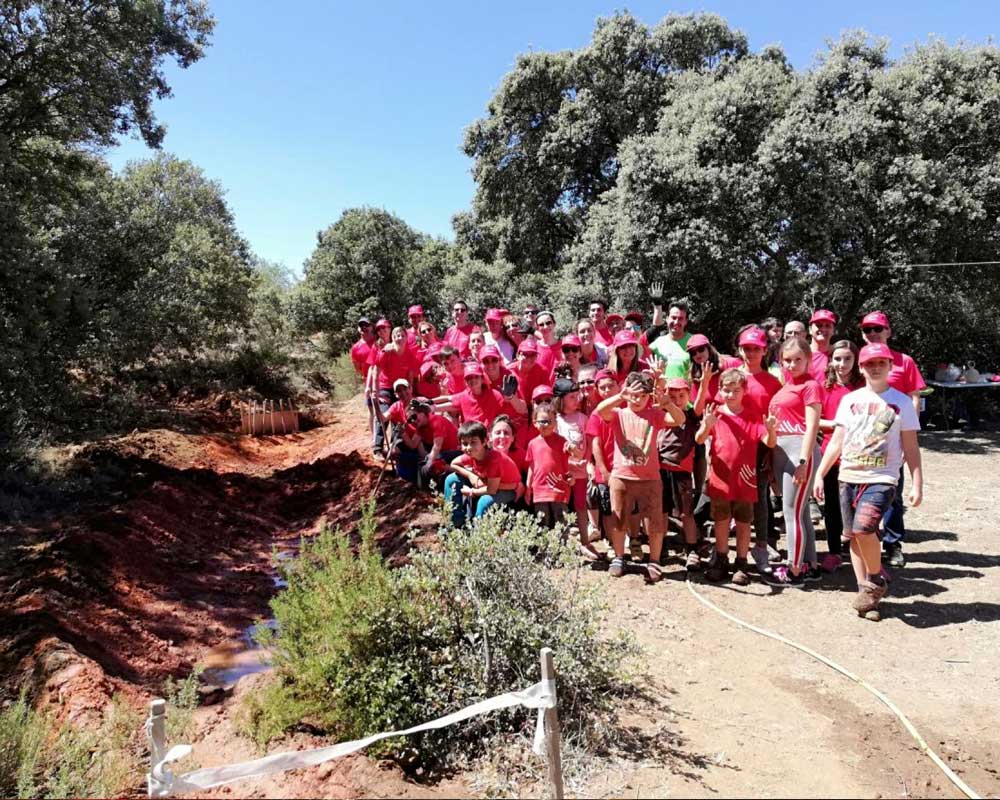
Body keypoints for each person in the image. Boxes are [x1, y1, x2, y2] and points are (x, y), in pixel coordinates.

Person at [813, 342, 923, 621]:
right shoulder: (849, 400)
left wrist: (917, 482)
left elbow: (910, 447)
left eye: (881, 363)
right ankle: (868, 598)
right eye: (870, 364)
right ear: (861, 368)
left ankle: (876, 579)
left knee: (864, 529)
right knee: (853, 536)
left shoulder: (901, 403)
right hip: (848, 476)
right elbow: (838, 441)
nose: (875, 368)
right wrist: (820, 473)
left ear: (890, 366)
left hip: (882, 478)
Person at [594, 371, 686, 582]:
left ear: (648, 396)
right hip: (621, 475)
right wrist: (620, 396)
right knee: (618, 519)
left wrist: (666, 403)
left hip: (650, 477)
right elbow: (600, 410)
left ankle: (653, 560)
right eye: (633, 395)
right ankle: (619, 557)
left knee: (654, 521)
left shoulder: (654, 414)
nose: (637, 400)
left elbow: (679, 419)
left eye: (642, 396)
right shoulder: (618, 413)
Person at [696, 370, 778, 585]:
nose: (730, 394)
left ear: (744, 391)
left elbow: (768, 442)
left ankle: (741, 563)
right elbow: (698, 439)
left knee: (743, 522)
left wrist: (771, 430)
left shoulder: (752, 414)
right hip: (721, 478)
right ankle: (721, 559)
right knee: (721, 520)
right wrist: (707, 425)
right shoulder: (716, 413)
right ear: (720, 390)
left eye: (735, 390)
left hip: (746, 478)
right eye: (726, 390)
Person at [859, 311, 927, 568]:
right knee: (864, 489)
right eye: (868, 330)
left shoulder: (904, 361)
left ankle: (893, 543)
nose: (873, 334)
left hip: (895, 435)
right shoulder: (861, 360)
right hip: (867, 436)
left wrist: (908, 430)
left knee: (893, 492)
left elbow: (914, 397)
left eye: (878, 329)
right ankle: (867, 539)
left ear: (888, 331)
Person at [766, 338, 823, 587]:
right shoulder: (785, 386)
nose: (792, 364)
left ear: (808, 359)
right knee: (799, 514)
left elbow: (812, 425)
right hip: (781, 452)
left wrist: (803, 459)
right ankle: (810, 564)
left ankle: (794, 570)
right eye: (787, 360)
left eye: (798, 359)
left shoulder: (810, 385)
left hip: (799, 452)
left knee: (791, 513)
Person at [731, 326, 784, 572]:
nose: (750, 353)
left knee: (760, 498)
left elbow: (776, 420)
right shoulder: (732, 377)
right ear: (740, 350)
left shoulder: (773, 383)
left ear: (764, 350)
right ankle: (723, 548)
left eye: (755, 348)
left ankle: (760, 546)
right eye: (746, 348)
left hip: (761, 447)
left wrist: (772, 455)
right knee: (727, 497)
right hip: (733, 446)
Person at [818, 340, 864, 566]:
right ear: (830, 360)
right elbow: (814, 419)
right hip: (831, 455)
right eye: (837, 358)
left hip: (860, 456)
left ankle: (863, 554)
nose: (842, 363)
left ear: (856, 361)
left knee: (859, 506)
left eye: (847, 358)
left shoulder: (863, 386)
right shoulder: (823, 386)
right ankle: (834, 550)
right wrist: (838, 423)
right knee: (833, 506)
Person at [657, 377, 702, 570]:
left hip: (682, 470)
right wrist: (658, 380)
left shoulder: (691, 416)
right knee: (661, 511)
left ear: (688, 396)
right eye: (672, 396)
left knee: (686, 513)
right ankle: (660, 546)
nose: (677, 399)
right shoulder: (662, 414)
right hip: (660, 468)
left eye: (681, 395)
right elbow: (655, 398)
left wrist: (706, 381)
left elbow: (700, 403)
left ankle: (692, 548)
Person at [444, 421, 518, 527]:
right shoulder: (472, 454)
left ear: (484, 441)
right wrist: (471, 475)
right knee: (451, 479)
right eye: (465, 444)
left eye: (473, 442)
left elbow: (491, 490)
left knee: (484, 501)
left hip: (506, 489)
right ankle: (454, 522)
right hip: (486, 483)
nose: (469, 447)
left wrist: (472, 492)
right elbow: (453, 464)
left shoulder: (494, 459)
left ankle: (478, 535)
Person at [554, 377, 596, 559]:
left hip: (581, 470)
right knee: (562, 506)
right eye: (571, 397)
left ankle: (585, 542)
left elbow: (589, 441)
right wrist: (570, 463)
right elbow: (554, 449)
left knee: (581, 506)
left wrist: (586, 461)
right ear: (561, 399)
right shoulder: (555, 421)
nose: (576, 399)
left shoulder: (582, 418)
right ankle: (562, 543)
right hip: (563, 470)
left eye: (576, 395)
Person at [368, 326, 420, 460]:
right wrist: (375, 391)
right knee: (384, 413)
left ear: (406, 338)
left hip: (400, 388)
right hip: (385, 386)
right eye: (397, 335)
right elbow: (376, 370)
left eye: (402, 335)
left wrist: (410, 390)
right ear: (392, 338)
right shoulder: (386, 351)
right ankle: (377, 448)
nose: (400, 338)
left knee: (397, 417)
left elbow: (410, 374)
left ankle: (394, 446)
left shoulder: (409, 354)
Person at [586, 369, 620, 548]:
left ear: (618, 386)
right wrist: (603, 470)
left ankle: (632, 539)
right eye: (603, 387)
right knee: (607, 508)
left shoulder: (626, 410)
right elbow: (595, 445)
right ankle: (613, 543)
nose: (607, 391)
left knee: (629, 507)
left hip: (625, 469)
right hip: (605, 470)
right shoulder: (595, 415)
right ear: (597, 390)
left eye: (611, 386)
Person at [525, 403, 572, 528]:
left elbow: (567, 464)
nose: (546, 425)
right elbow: (532, 466)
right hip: (539, 490)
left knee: (561, 522)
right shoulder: (532, 444)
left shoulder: (562, 441)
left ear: (555, 423)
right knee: (542, 522)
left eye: (549, 421)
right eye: (542, 421)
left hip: (558, 489)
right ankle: (544, 548)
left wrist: (570, 479)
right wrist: (528, 487)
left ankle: (562, 547)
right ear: (535, 422)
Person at [399, 398, 461, 489]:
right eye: (410, 420)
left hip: (454, 452)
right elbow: (413, 445)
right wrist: (403, 434)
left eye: (414, 417)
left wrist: (428, 462)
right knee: (409, 456)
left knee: (433, 462)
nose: (413, 421)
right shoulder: (421, 427)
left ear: (423, 412)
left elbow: (437, 446)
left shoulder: (436, 421)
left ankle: (441, 483)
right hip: (441, 453)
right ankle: (417, 485)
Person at [434, 362, 513, 428]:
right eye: (469, 378)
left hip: (488, 438)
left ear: (482, 379)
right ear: (465, 382)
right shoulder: (464, 395)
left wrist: (509, 396)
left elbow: (505, 405)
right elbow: (449, 399)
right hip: (469, 437)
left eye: (476, 377)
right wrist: (429, 403)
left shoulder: (494, 394)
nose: (473, 380)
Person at [647, 300, 693, 379]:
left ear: (686, 322)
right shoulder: (657, 344)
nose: (676, 322)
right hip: (661, 390)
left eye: (680, 319)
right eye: (673, 317)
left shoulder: (694, 342)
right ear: (667, 319)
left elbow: (717, 359)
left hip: (685, 390)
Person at [490, 414, 527, 485]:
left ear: (513, 437)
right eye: (498, 433)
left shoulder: (520, 454)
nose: (502, 436)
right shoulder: (482, 453)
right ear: (490, 436)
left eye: (506, 433)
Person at [808, 309, 837, 381]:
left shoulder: (839, 354)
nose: (823, 329)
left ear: (833, 330)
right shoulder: (802, 353)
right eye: (819, 325)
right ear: (810, 330)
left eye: (828, 326)